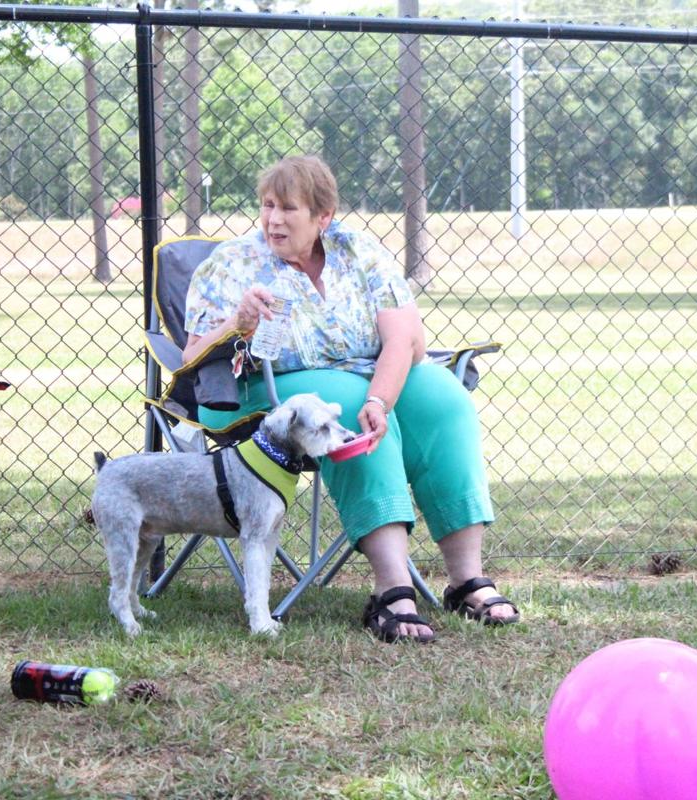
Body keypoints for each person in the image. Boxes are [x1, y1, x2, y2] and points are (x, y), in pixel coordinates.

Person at [181, 154, 519, 643]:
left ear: (323, 216)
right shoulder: (232, 264)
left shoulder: (359, 251)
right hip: (268, 395)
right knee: (341, 396)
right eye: (267, 205)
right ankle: (392, 591)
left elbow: (406, 340)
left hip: (367, 377)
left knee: (444, 398)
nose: (273, 219)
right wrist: (237, 322)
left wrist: (380, 399)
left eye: (288, 208)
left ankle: (467, 580)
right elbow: (190, 357)